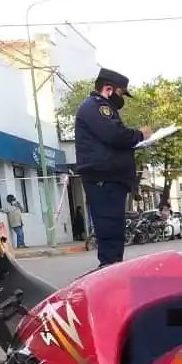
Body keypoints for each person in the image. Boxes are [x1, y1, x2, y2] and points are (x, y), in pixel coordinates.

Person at [74, 68, 152, 267]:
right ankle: (109, 270)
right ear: (108, 89)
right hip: (104, 180)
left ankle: (112, 267)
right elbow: (114, 134)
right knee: (109, 231)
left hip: (109, 179)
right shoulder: (97, 107)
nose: (121, 99)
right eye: (120, 93)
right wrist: (139, 135)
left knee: (114, 231)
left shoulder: (100, 108)